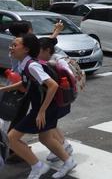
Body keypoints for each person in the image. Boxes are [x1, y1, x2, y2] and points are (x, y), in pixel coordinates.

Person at [0, 33, 76, 179]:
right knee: (45, 138)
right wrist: (3, 89)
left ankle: (38, 166)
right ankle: (68, 161)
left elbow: (52, 86)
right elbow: (26, 83)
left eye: (15, 45)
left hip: (44, 108)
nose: (11, 48)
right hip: (45, 107)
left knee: (12, 139)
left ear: (26, 49)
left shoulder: (32, 65)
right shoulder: (26, 64)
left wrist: (41, 111)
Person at [38, 37, 74, 164]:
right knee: (50, 124)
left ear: (47, 50)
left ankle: (60, 148)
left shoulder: (48, 64)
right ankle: (64, 145)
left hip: (54, 101)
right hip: (62, 99)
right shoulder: (58, 59)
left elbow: (52, 86)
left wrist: (42, 109)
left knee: (47, 125)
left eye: (38, 50)